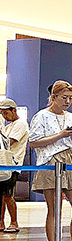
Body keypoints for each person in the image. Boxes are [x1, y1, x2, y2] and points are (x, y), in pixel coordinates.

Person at [29, 81, 72, 241]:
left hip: (70, 160)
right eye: (64, 98)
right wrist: (61, 135)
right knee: (55, 209)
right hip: (50, 161)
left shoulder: (70, 117)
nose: (68, 101)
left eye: (70, 98)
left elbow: (71, 143)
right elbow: (34, 142)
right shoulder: (41, 116)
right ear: (53, 97)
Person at [0, 98, 29, 233]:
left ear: (14, 110)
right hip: (4, 165)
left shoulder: (20, 124)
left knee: (8, 195)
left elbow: (8, 142)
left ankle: (14, 222)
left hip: (13, 165)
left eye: (6, 113)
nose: (4, 116)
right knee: (1, 195)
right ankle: (0, 223)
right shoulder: (8, 126)